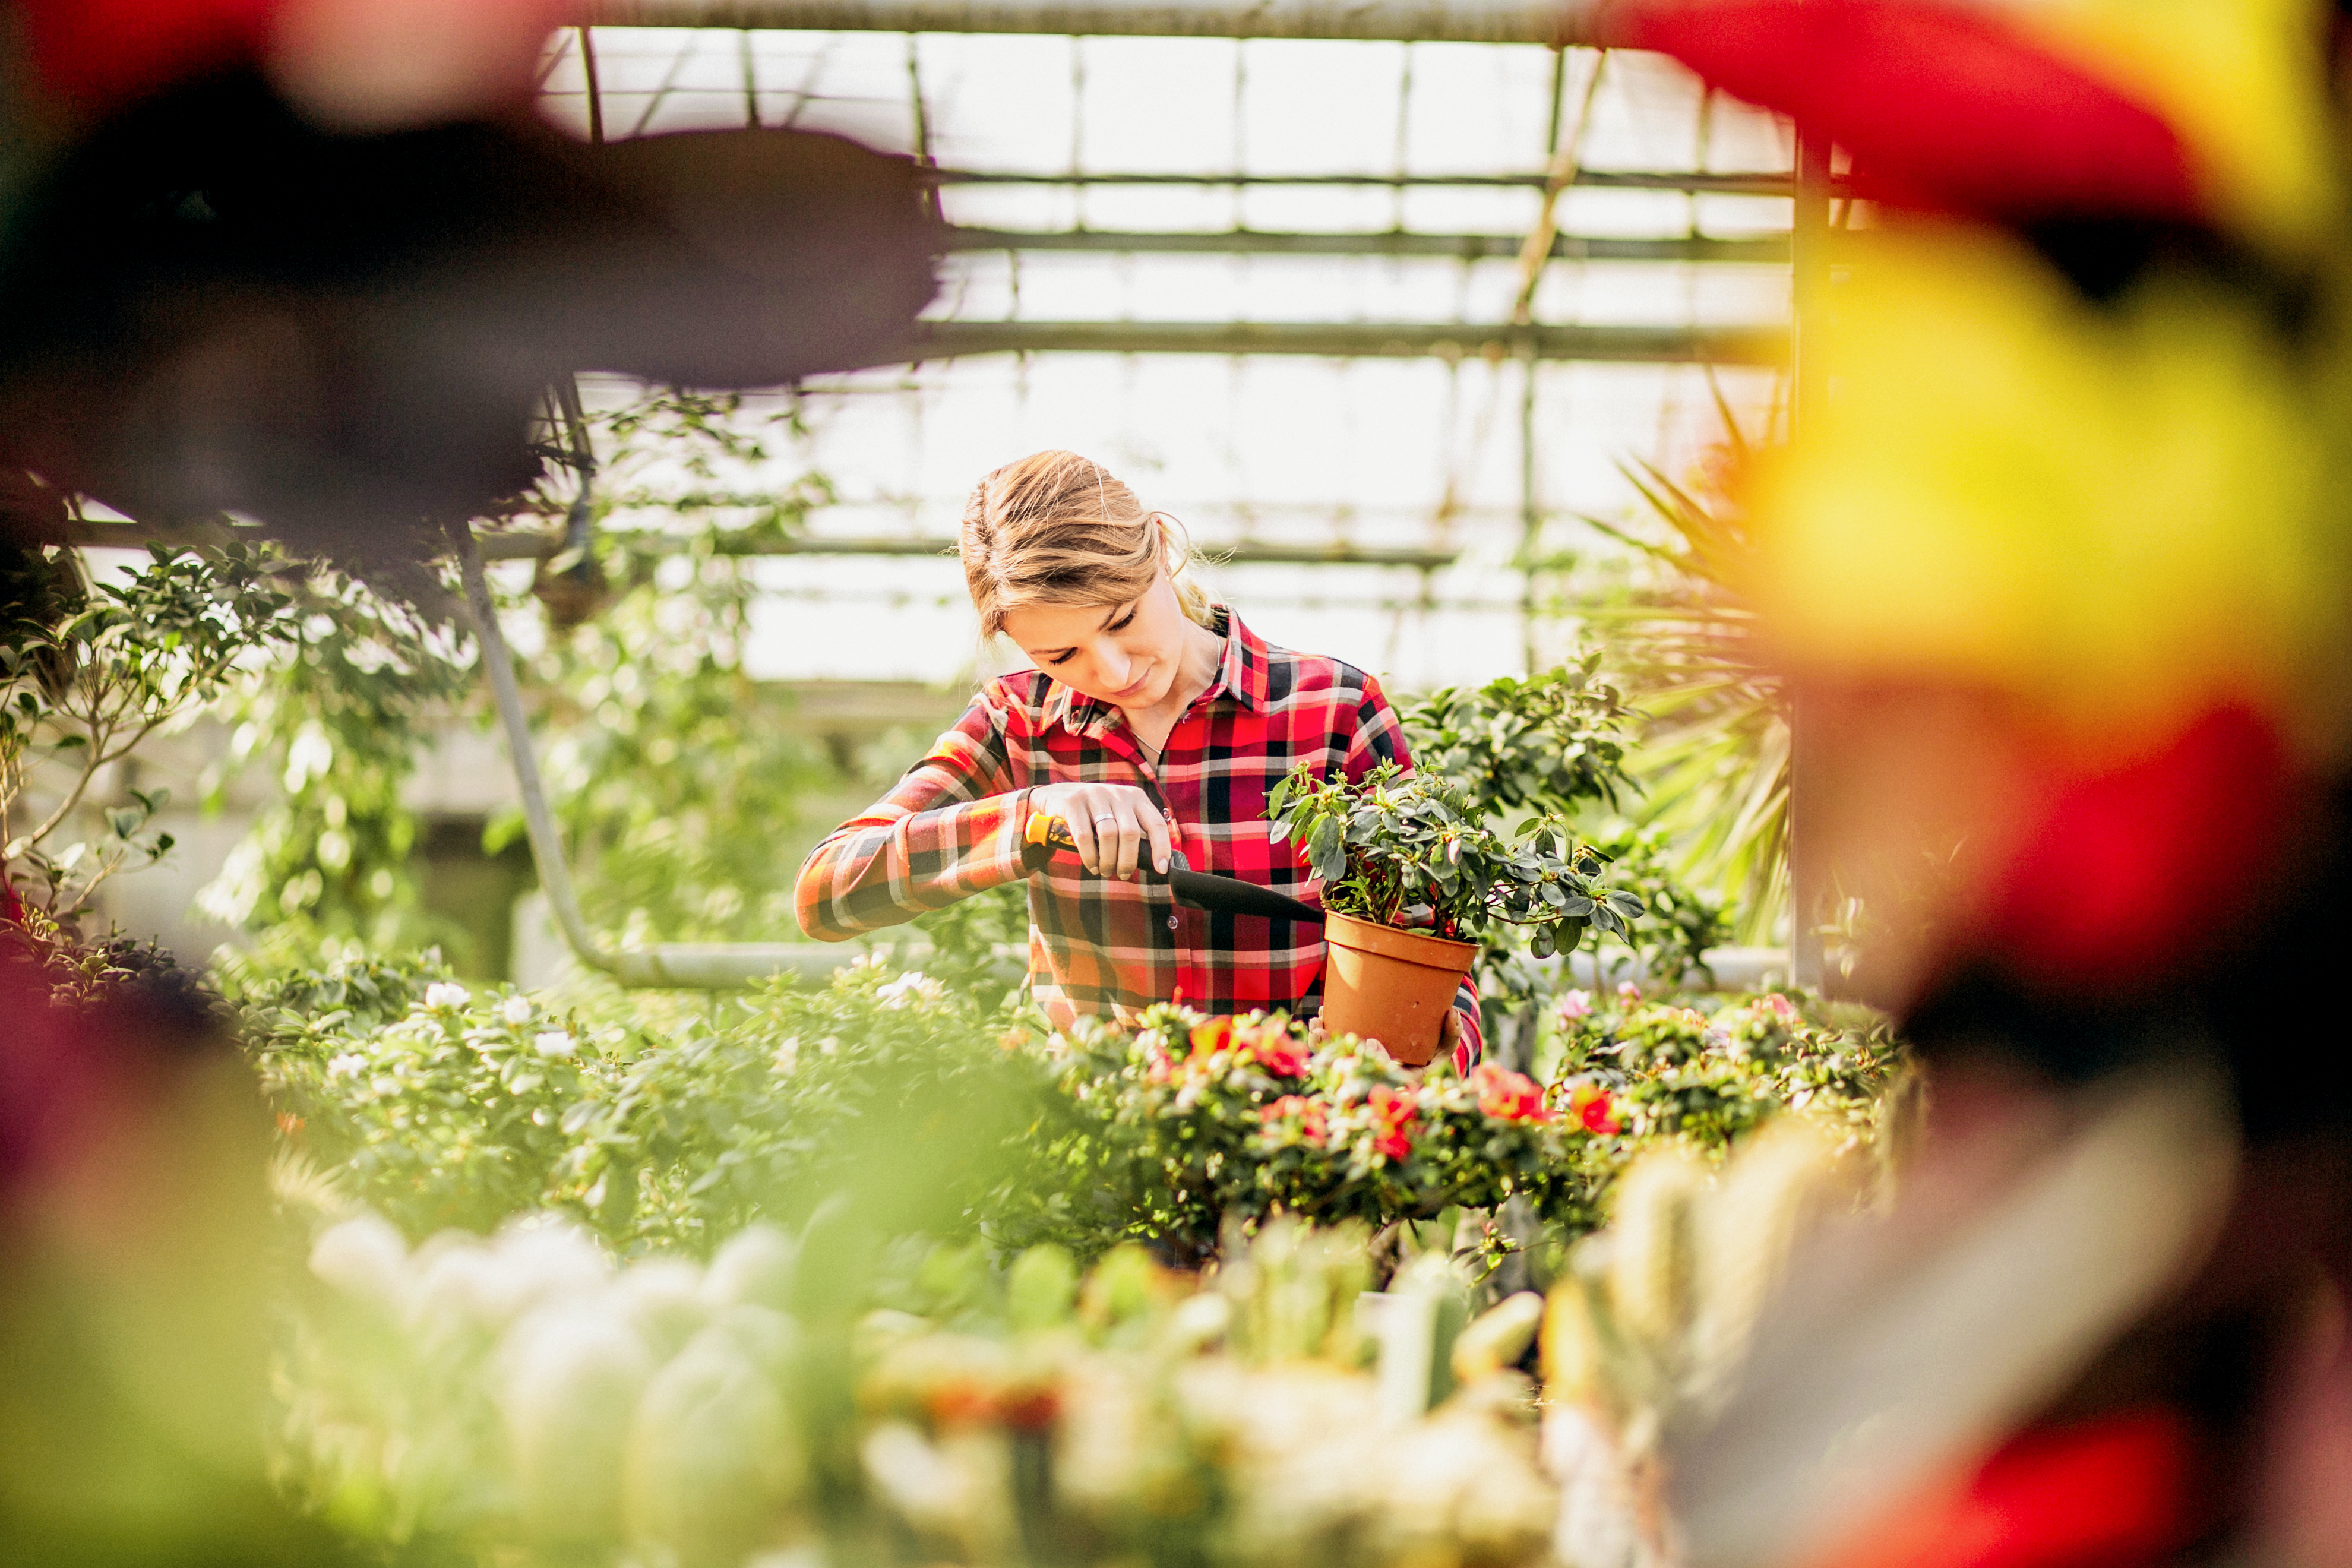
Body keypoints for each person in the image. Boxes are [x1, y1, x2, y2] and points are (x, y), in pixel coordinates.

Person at [795, 449, 1482, 1068]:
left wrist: (1421, 1076)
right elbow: (827, 895)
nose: (1115, 670)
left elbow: (1435, 948)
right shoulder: (1018, 724)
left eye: (1121, 619)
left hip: (1300, 1149)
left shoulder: (1330, 709)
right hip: (1105, 1156)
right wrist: (1029, 819)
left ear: (1158, 547)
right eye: (1060, 656)